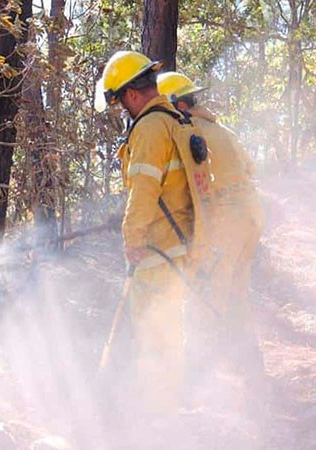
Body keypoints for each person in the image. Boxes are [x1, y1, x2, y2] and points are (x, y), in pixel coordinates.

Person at [95, 51, 196, 413]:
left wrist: (132, 240)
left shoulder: (151, 127)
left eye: (121, 102)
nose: (124, 110)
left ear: (133, 94)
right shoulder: (175, 121)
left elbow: (144, 192)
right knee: (169, 333)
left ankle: (156, 414)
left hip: (156, 251)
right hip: (177, 248)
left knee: (153, 334)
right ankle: (167, 405)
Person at [157, 71, 266, 379]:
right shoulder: (222, 130)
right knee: (236, 292)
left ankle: (200, 380)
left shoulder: (187, 132)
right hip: (251, 215)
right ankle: (251, 369)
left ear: (178, 105)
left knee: (205, 296)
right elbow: (251, 168)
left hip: (225, 220)